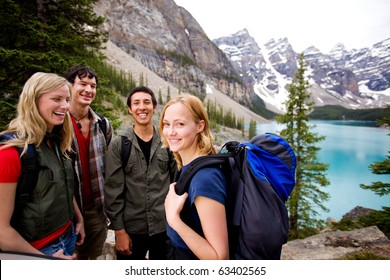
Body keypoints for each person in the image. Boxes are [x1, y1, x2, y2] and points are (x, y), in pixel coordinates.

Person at [0, 72, 85, 259]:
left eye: (67, 99)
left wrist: (78, 219)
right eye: (57, 99)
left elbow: (62, 183)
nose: (65, 106)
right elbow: (2, 232)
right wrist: (45, 261)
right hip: (37, 250)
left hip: (68, 234)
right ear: (33, 100)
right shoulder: (10, 153)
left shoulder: (56, 142)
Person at [104, 86, 176, 260]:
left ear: (154, 106)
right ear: (130, 109)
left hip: (164, 227)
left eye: (146, 102)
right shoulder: (119, 144)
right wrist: (119, 231)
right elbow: (113, 191)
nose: (141, 107)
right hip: (131, 229)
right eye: (136, 103)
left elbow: (176, 183)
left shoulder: (168, 142)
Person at [159, 94, 229, 260]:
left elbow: (219, 258)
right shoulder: (188, 167)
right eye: (166, 124)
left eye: (180, 124)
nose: (170, 132)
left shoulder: (205, 178)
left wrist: (173, 219)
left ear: (200, 126)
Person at [64, 65, 113, 260]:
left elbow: (109, 168)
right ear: (69, 86)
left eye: (93, 86)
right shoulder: (58, 123)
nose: (88, 90)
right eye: (82, 84)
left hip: (96, 212)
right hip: (66, 214)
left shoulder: (103, 124)